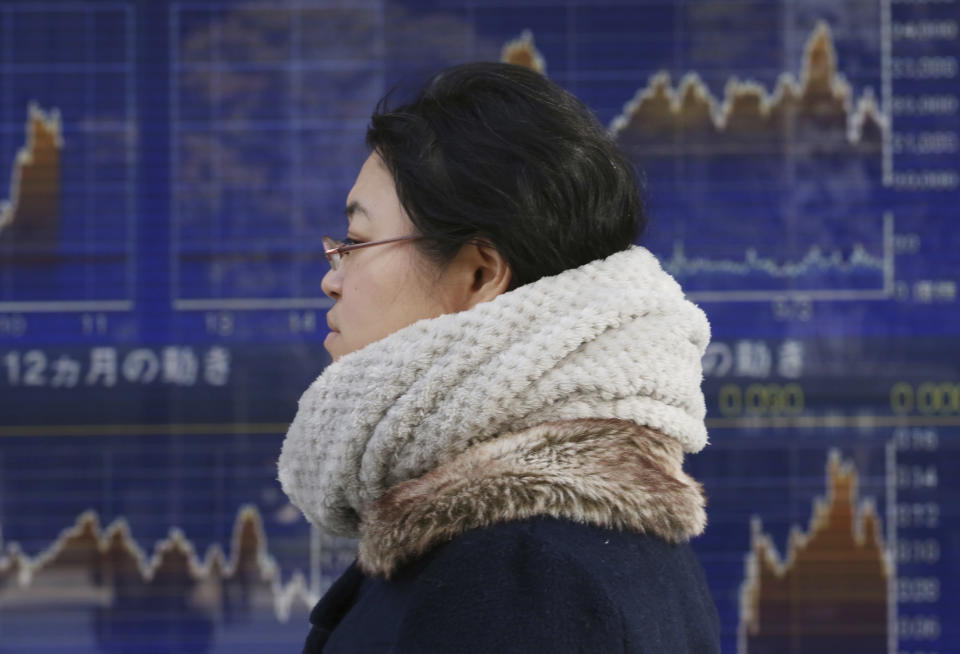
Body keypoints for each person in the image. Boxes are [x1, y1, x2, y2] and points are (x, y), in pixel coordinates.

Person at [278, 62, 720, 653]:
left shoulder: (522, 577)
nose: (333, 279)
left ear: (481, 272)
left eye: (356, 243)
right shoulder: (556, 547)